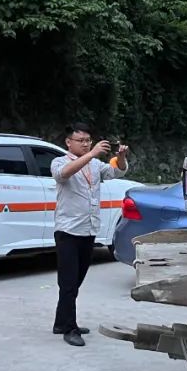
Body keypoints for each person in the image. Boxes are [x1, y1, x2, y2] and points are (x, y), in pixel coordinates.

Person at [50, 123, 129, 347]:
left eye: (88, 141)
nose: (86, 144)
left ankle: (60, 321)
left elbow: (115, 172)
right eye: (81, 141)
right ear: (68, 142)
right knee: (68, 283)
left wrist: (121, 156)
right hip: (68, 230)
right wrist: (92, 154)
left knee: (76, 280)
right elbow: (63, 175)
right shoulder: (59, 161)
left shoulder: (95, 164)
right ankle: (70, 328)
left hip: (89, 229)